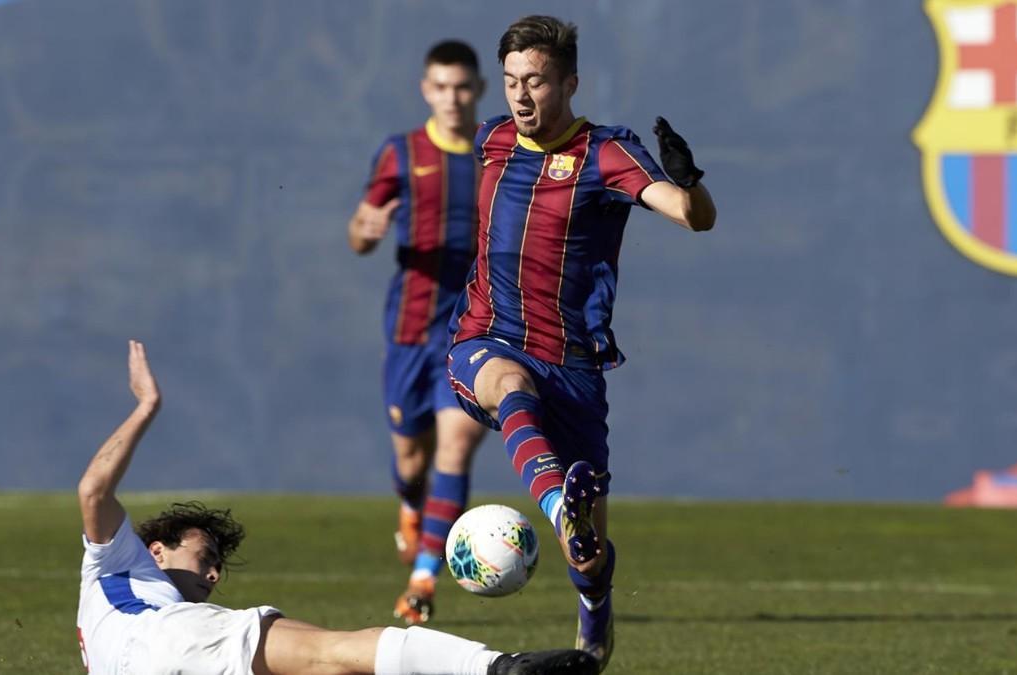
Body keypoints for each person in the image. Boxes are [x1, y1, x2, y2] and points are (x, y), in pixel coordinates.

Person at [444, 16, 717, 673]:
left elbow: (692, 217)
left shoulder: (606, 153)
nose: (520, 95)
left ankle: (593, 613)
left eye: (534, 80)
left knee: (590, 556)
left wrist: (692, 182)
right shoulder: (493, 141)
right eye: (510, 81)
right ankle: (558, 510)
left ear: (569, 81)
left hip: (571, 367)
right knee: (507, 385)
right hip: (486, 339)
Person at [75, 341, 597, 675]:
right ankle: (500, 669)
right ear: (155, 549)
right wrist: (146, 407)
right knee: (340, 651)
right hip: (172, 646)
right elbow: (94, 492)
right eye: (203, 554)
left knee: (334, 664)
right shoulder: (118, 564)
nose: (213, 571)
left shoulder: (122, 614)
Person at [346, 40, 489, 625]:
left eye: (462, 87)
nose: (452, 97)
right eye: (441, 86)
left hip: (478, 331)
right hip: (410, 329)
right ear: (426, 90)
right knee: (412, 459)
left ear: (478, 90)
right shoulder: (402, 153)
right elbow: (358, 232)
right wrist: (367, 228)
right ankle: (410, 504)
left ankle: (424, 580)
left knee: (455, 446)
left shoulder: (496, 151)